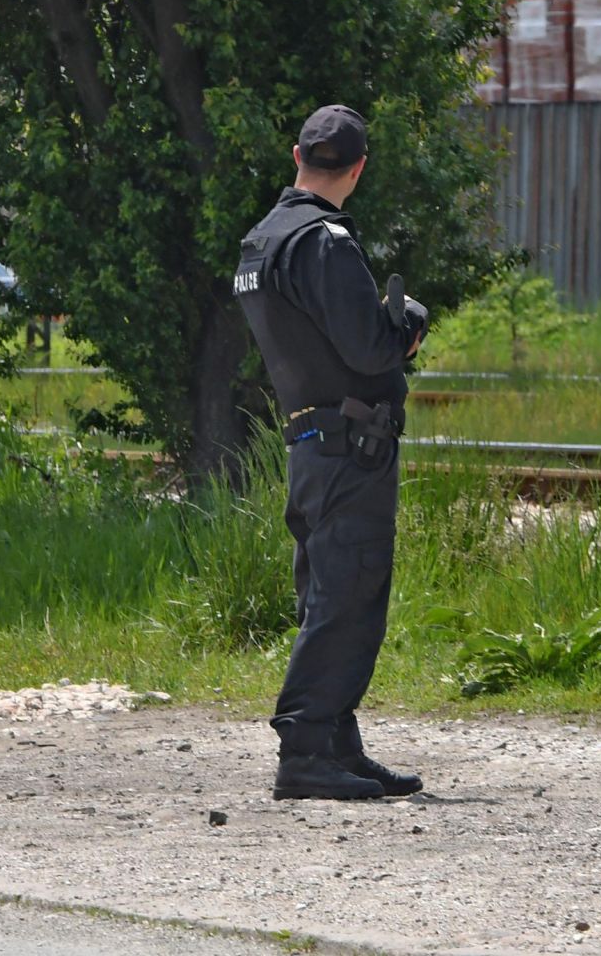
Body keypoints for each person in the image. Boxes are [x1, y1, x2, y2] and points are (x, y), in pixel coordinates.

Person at [231, 104, 428, 801]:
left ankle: (338, 742)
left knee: (332, 591)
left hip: (308, 438)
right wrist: (404, 328)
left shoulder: (262, 242)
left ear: (296, 155)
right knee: (347, 592)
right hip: (351, 446)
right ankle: (305, 747)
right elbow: (367, 348)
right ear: (359, 169)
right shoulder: (324, 241)